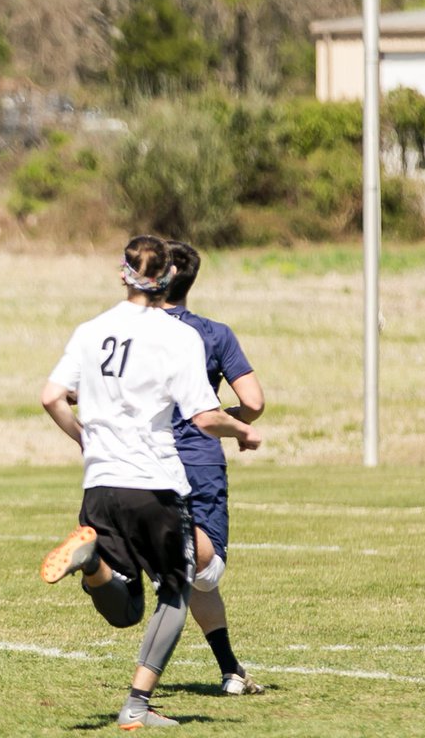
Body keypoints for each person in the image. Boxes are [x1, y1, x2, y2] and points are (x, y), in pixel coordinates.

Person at [39, 235, 261, 730]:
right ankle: (137, 704)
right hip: (154, 482)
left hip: (100, 484)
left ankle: (93, 563)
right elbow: (204, 416)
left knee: (124, 608)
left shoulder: (91, 330)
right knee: (177, 590)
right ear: (166, 278)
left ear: (122, 273)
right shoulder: (178, 336)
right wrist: (243, 430)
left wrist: (84, 438)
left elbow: (51, 396)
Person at [163, 240, 266, 696]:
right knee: (206, 570)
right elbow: (254, 402)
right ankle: (123, 550)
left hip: (141, 459)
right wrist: (235, 424)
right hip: (197, 458)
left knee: (193, 579)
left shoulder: (129, 331)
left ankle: (231, 670)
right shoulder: (213, 333)